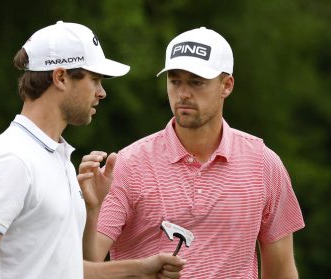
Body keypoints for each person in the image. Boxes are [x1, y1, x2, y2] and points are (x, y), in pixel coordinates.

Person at [0, 21, 186, 279]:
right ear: (60, 77)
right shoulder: (12, 157)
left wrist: (140, 269)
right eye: (94, 79)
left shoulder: (54, 156)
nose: (102, 92)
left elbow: (65, 269)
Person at [89, 27, 305, 278]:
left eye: (196, 82)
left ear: (227, 85)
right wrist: (90, 210)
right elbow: (82, 265)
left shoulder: (263, 164)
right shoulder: (127, 165)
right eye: (175, 80)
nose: (183, 94)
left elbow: (281, 272)